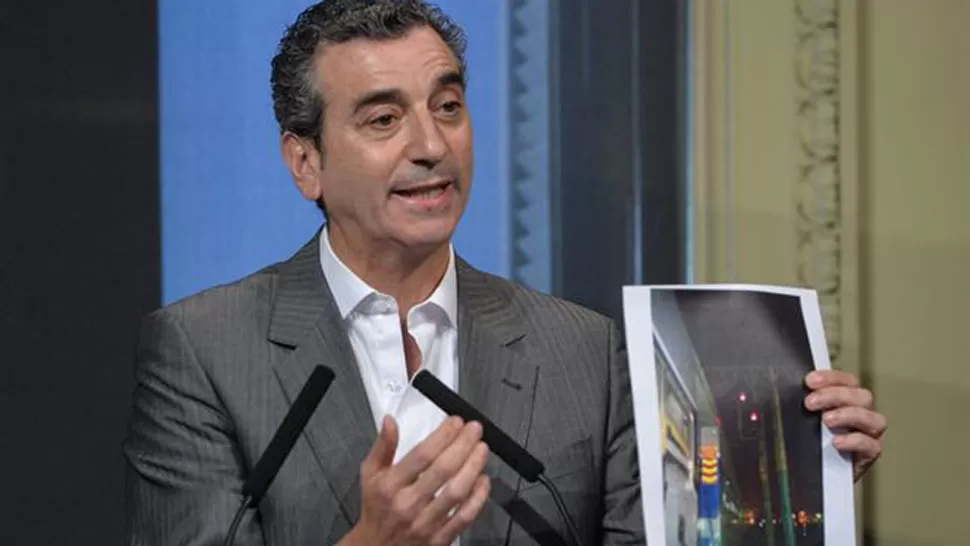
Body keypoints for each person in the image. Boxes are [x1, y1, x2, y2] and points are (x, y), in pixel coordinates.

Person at [123, 1, 888, 545]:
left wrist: (784, 489)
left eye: (448, 106)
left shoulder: (585, 352)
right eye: (384, 119)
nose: (431, 145)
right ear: (305, 163)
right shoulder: (205, 350)